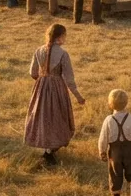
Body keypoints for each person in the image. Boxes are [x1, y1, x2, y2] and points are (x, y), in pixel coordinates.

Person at [24, 23, 86, 165]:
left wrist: (42, 81)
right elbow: (69, 80)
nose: (65, 38)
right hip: (57, 88)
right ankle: (49, 151)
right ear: (60, 37)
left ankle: (47, 147)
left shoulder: (39, 50)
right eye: (64, 36)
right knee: (57, 116)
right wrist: (79, 97)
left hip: (41, 87)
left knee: (43, 115)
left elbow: (32, 72)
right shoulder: (63, 54)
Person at [99, 89, 131, 196]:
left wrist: (102, 151)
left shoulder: (108, 120)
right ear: (126, 103)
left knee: (115, 175)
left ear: (110, 104)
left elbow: (103, 137)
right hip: (129, 150)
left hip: (115, 152)